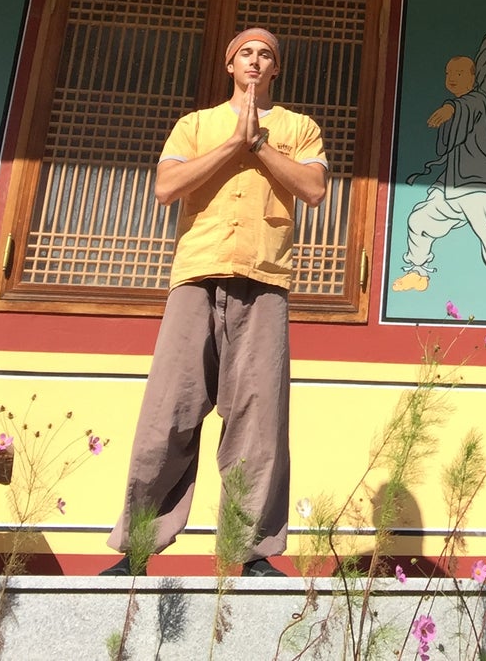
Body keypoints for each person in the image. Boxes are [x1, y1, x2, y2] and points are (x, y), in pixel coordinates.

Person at [104, 29, 327, 577]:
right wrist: (232, 142)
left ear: (277, 69)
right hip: (196, 274)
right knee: (169, 412)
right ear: (231, 64)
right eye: (246, 53)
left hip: (265, 278)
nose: (256, 61)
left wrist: (259, 144)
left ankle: (250, 553)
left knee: (259, 418)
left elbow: (314, 189)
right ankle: (137, 549)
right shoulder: (196, 124)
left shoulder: (299, 128)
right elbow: (165, 187)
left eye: (266, 55)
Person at [391, 5, 486, 317]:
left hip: (483, 184)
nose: (454, 78)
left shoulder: (484, 100)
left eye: (461, 73)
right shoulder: (467, 101)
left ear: (474, 77)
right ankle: (418, 272)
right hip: (452, 184)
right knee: (419, 221)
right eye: (450, 74)